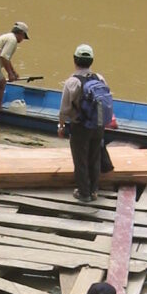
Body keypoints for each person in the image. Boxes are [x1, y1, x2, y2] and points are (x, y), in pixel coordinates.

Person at [57, 43, 108, 202]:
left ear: (74, 60)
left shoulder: (72, 82)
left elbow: (64, 109)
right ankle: (94, 191)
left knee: (80, 160)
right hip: (98, 125)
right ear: (92, 61)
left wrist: (61, 126)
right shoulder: (100, 78)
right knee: (94, 158)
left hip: (80, 126)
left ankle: (84, 193)